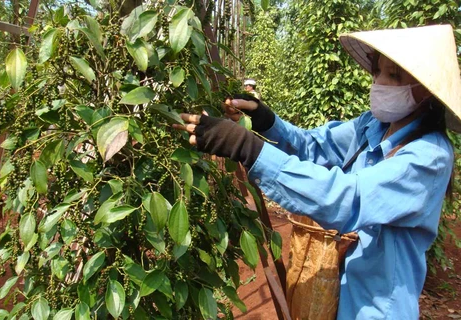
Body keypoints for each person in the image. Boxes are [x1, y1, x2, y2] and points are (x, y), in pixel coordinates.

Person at [173, 24, 461, 319]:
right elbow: (313, 146)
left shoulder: (429, 156)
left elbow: (347, 199)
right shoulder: (371, 127)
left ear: (425, 91)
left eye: (394, 76)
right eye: (378, 72)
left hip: (375, 309)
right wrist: (265, 120)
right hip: (334, 297)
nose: (379, 83)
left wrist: (248, 148)